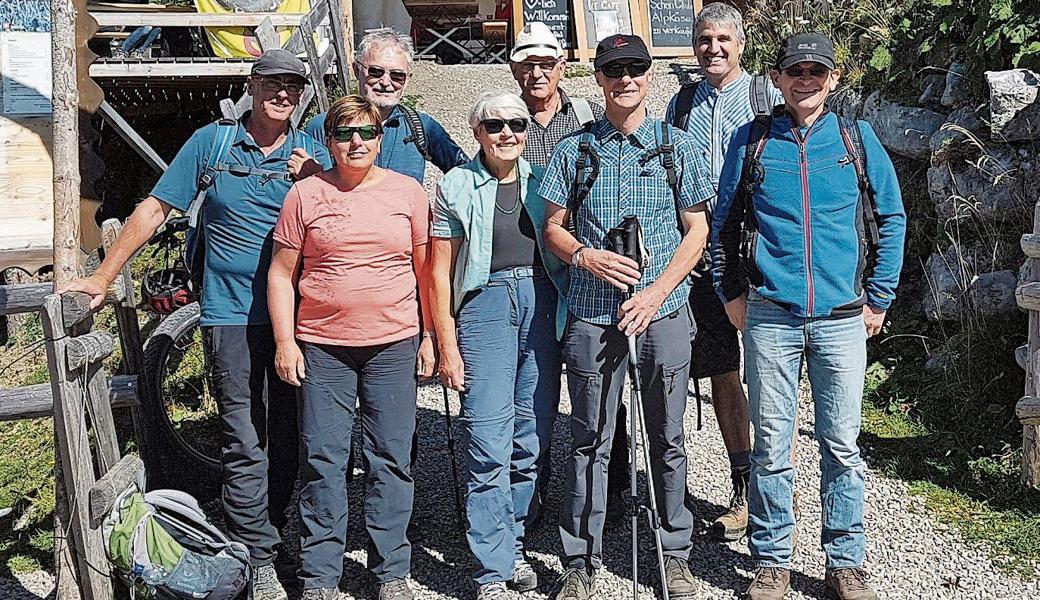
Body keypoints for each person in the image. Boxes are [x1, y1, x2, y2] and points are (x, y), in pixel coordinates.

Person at [61, 49, 332, 600]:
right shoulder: (212, 143)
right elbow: (157, 207)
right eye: (273, 83)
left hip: (298, 318)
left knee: (290, 433)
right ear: (252, 86)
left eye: (293, 86)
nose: (283, 94)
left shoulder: (314, 153)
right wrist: (104, 276)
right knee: (242, 434)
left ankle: (273, 534)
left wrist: (320, 179)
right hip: (230, 313)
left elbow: (350, 221)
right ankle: (256, 556)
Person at [711, 33, 906, 600]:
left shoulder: (856, 138)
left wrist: (879, 298)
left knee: (841, 442)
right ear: (776, 78)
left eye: (816, 71)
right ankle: (771, 559)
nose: (805, 80)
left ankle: (845, 560)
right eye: (794, 69)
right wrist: (730, 294)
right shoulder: (752, 142)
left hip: (843, 316)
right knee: (771, 442)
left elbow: (891, 217)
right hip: (770, 314)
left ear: (833, 79)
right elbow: (723, 225)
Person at [541, 34, 715, 600]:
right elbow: (552, 227)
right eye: (614, 70)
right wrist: (585, 255)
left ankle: (675, 555)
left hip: (661, 314)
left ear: (649, 73)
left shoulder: (677, 146)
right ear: (599, 78)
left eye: (635, 68)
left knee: (667, 437)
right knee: (591, 439)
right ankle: (580, 562)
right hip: (593, 315)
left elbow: (698, 232)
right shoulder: (574, 149)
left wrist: (659, 291)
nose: (625, 79)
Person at [269, 94, 434, 600]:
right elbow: (281, 273)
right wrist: (284, 342)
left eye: (365, 132)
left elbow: (427, 272)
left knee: (391, 456)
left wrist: (430, 336)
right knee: (324, 457)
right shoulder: (305, 195)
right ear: (329, 142)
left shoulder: (409, 193)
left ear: (381, 139)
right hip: (323, 345)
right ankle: (320, 575)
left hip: (393, 341)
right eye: (344, 134)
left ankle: (391, 572)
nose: (355, 142)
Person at [429, 90, 569, 600]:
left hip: (542, 302)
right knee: (488, 435)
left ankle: (511, 540)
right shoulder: (456, 184)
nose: (507, 133)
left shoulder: (543, 180)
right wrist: (444, 338)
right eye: (495, 125)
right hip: (485, 305)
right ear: (477, 132)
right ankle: (492, 567)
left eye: (515, 123)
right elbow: (439, 269)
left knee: (531, 434)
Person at [663, 2, 783, 542]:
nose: (713, 48)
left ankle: (775, 490)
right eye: (704, 39)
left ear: (741, 45)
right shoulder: (682, 102)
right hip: (701, 244)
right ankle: (744, 485)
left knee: (771, 373)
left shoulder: (767, 98)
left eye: (723, 40)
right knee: (721, 369)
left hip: (759, 246)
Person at [508, 20, 635, 528]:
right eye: (526, 63)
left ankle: (615, 486)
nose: (536, 72)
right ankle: (532, 491)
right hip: (529, 270)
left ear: (563, 66)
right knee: (534, 387)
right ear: (514, 68)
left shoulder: (585, 118)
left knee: (603, 387)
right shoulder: (505, 118)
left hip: (582, 272)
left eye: (545, 63)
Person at [304, 27, 468, 182]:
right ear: (356, 70)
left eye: (397, 75)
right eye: (376, 72)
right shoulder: (322, 126)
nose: (385, 82)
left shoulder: (421, 127)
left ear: (407, 79)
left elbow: (468, 174)